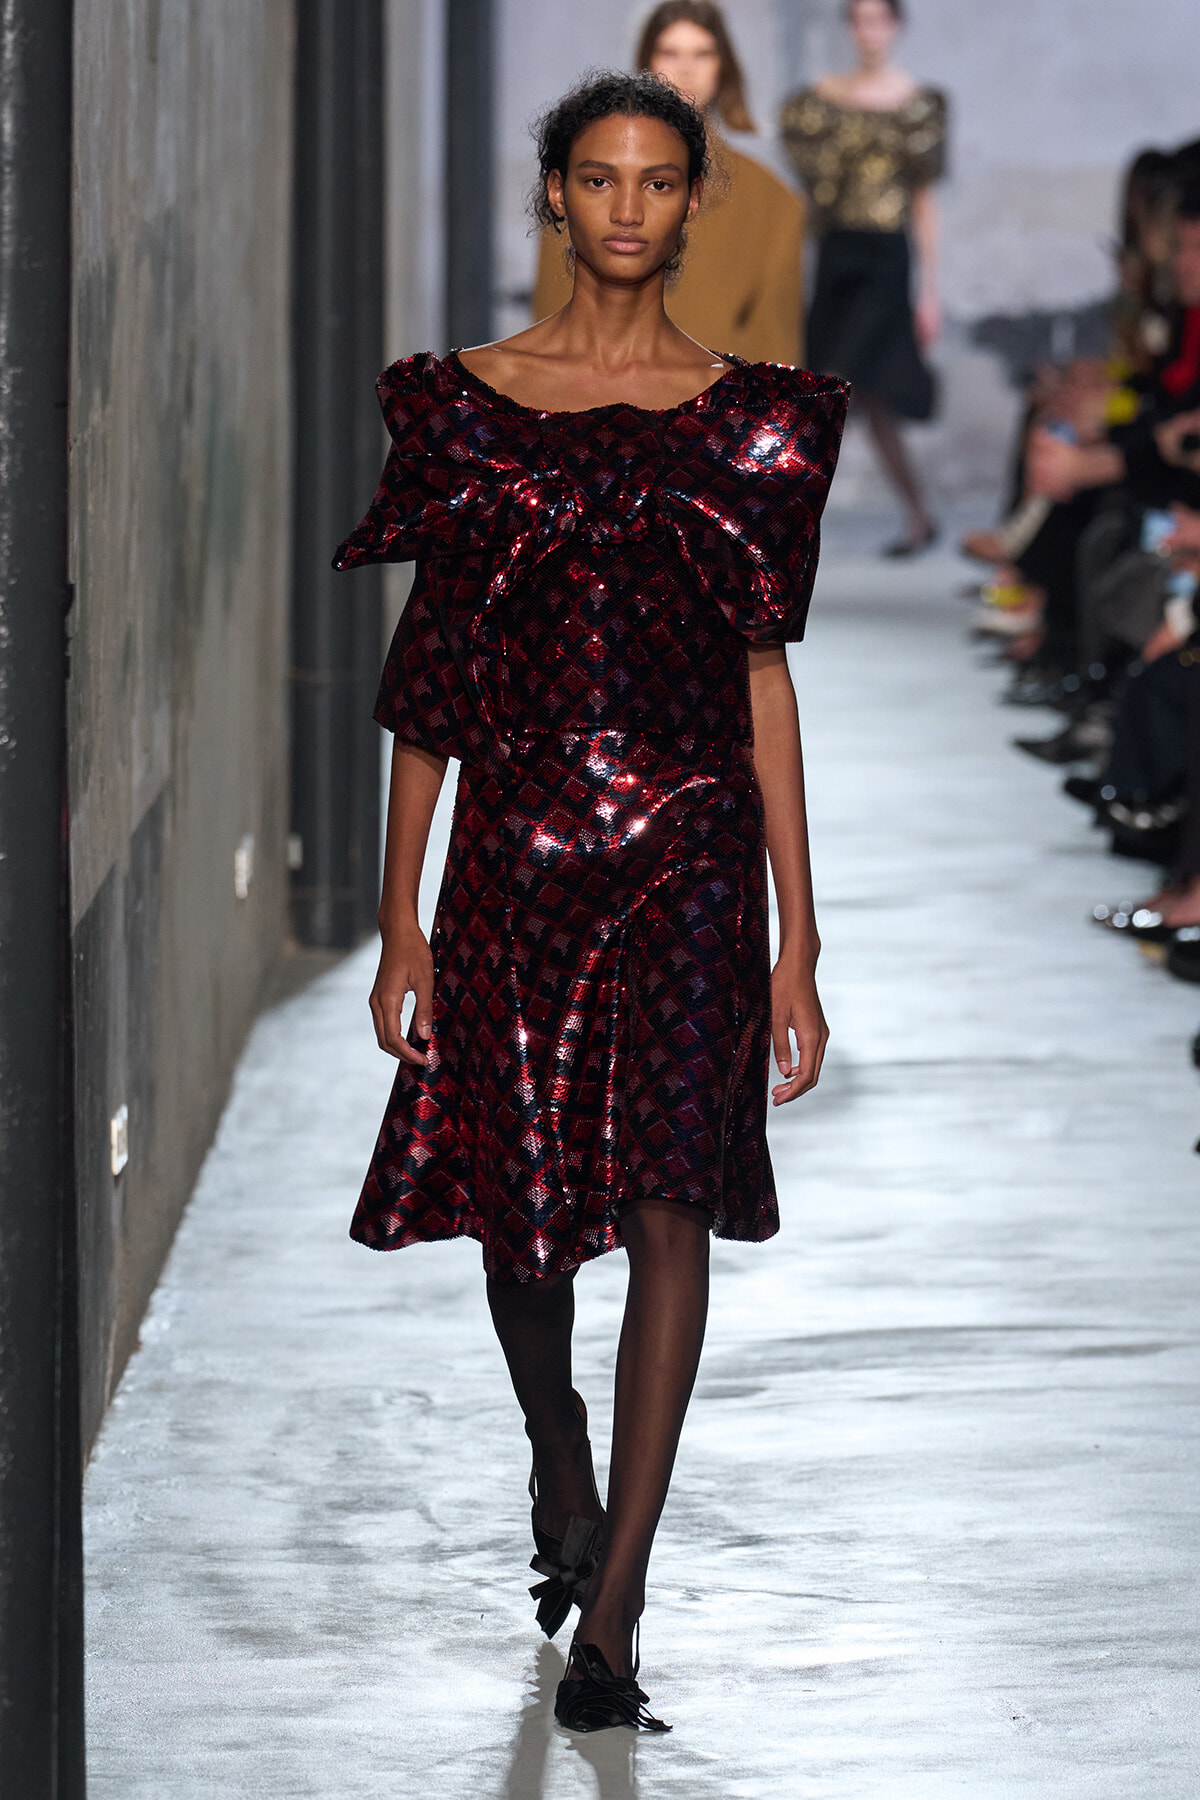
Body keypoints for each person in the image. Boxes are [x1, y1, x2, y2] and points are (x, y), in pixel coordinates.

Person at [332, 72, 845, 1733]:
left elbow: (764, 680)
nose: (629, 207)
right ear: (554, 196)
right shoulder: (466, 408)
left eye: (658, 182)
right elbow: (434, 680)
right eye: (599, 179)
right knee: (524, 1208)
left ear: (694, 206)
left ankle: (616, 1610)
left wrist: (800, 937)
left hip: (692, 854)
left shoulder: (751, 421)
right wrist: (398, 913)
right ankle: (556, 1441)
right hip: (517, 855)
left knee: (666, 1202)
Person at [532, 2, 805, 365]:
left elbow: (776, 345)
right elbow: (551, 317)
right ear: (647, 61)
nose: (686, 68)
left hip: (721, 408)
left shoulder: (771, 200)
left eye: (702, 53)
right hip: (592, 401)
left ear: (723, 67)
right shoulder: (583, 179)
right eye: (670, 52)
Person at [781, 0, 946, 556]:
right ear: (849, 28)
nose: (868, 31)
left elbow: (922, 201)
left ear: (896, 26)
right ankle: (920, 517)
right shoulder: (817, 103)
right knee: (867, 401)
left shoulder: (918, 105)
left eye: (878, 19)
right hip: (835, 253)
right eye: (858, 20)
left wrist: (930, 291)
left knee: (832, 386)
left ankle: (781, 523)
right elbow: (806, 198)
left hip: (886, 259)